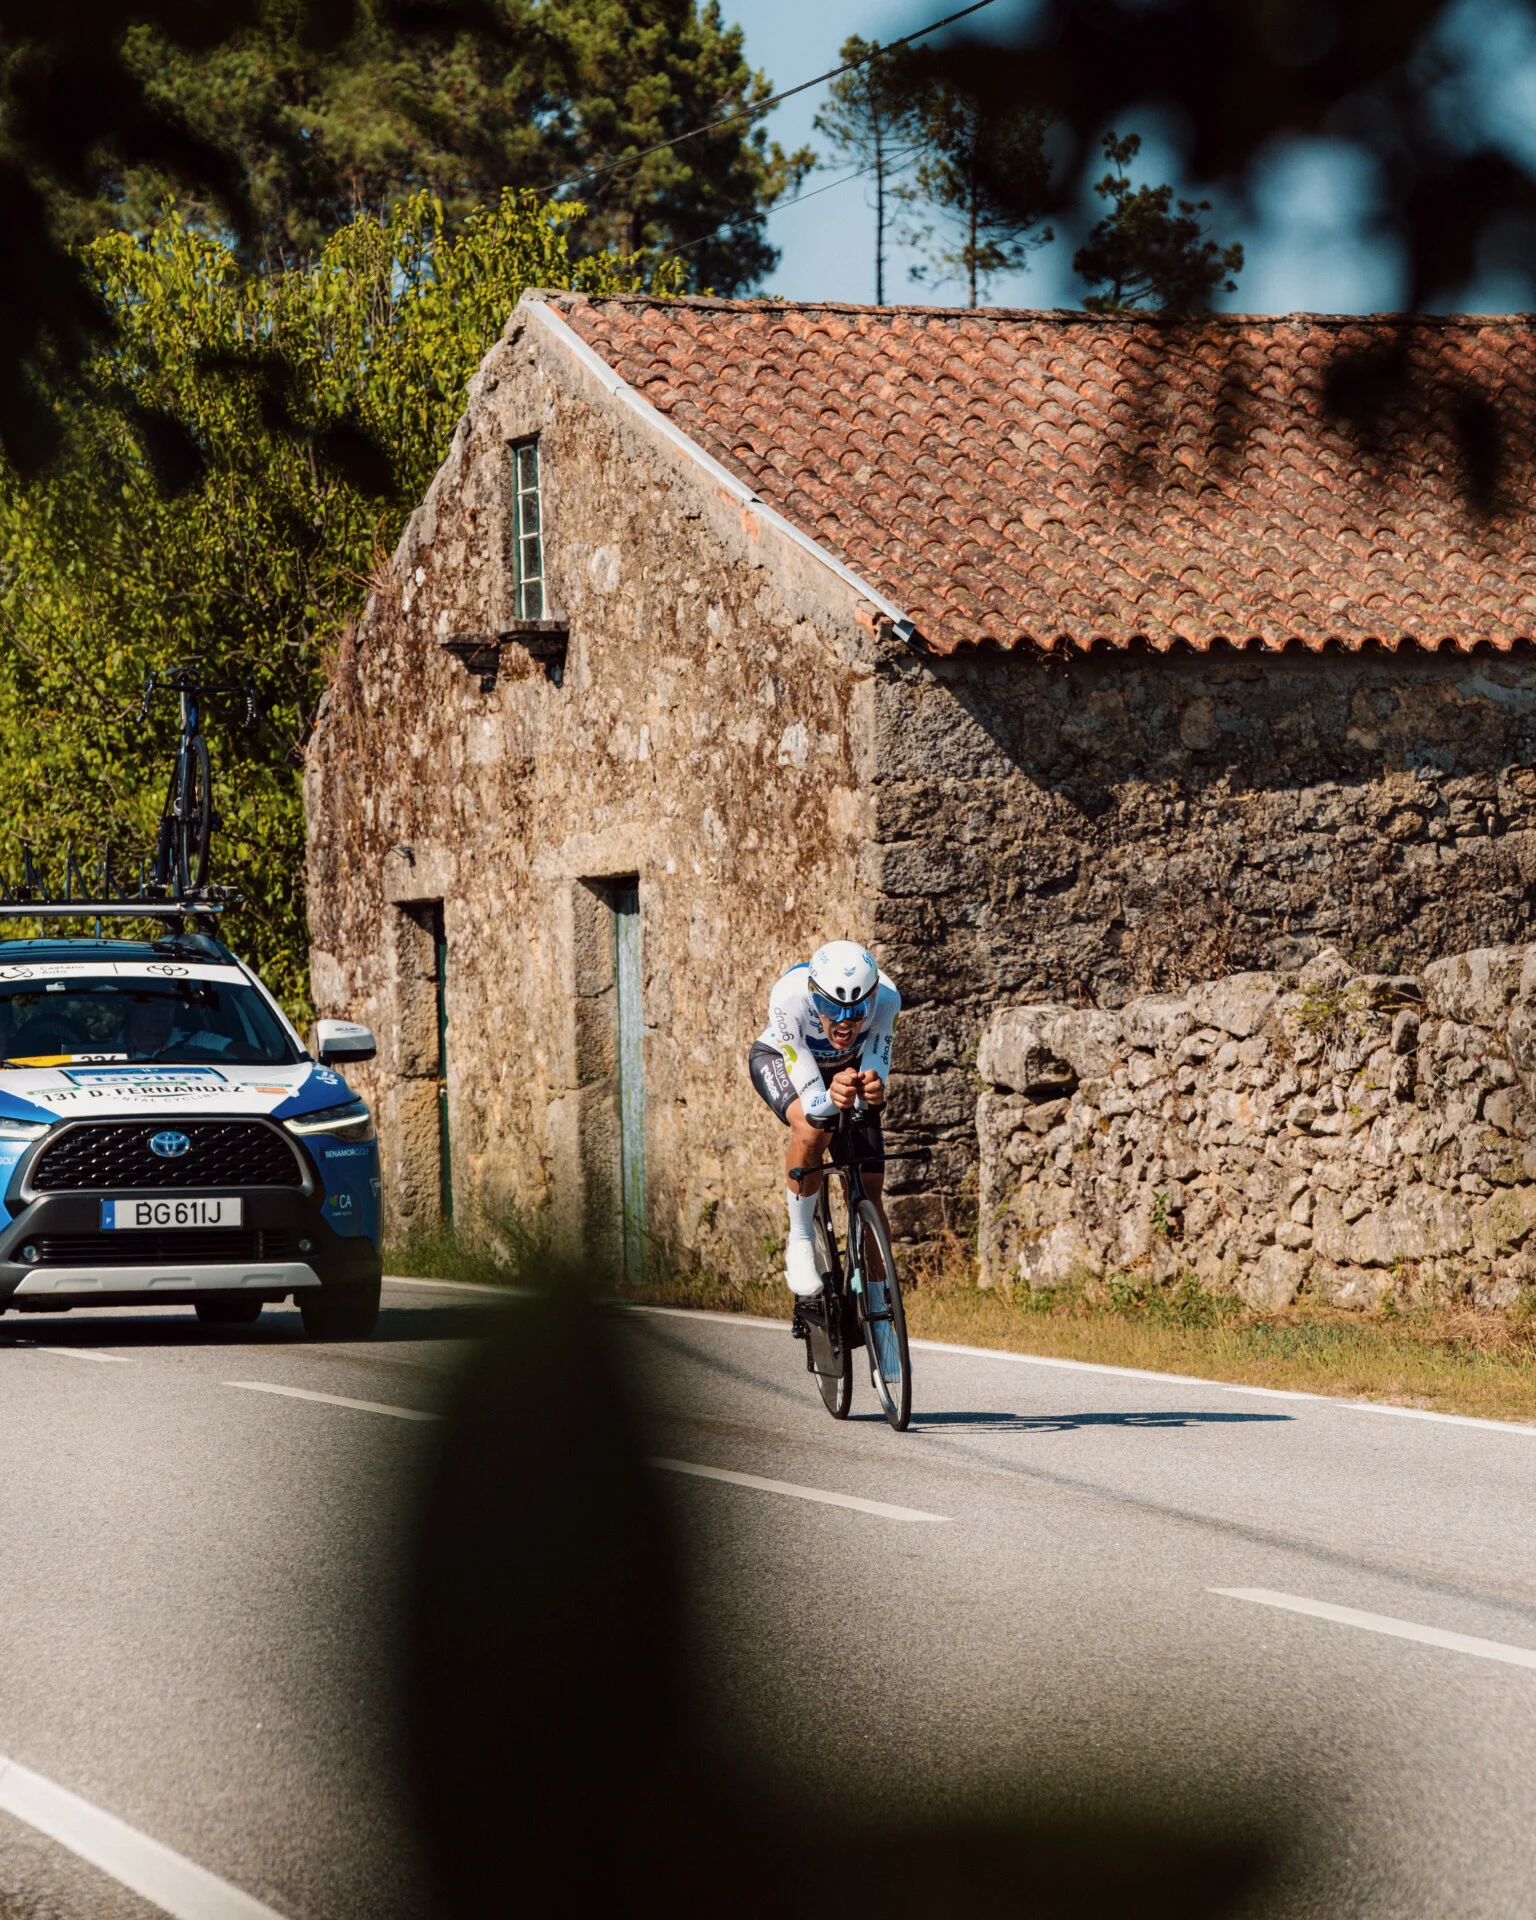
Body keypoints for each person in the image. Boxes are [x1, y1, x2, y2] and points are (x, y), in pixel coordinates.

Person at [748, 941, 899, 1299]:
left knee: (869, 1184)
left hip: (845, 1071)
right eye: (829, 1006)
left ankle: (879, 1305)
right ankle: (800, 1239)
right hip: (786, 1063)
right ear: (813, 995)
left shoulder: (889, 998)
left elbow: (876, 1070)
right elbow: (815, 1102)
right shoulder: (789, 995)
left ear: (874, 997)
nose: (845, 1022)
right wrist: (834, 1096)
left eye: (859, 1009)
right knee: (811, 1129)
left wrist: (872, 1089)